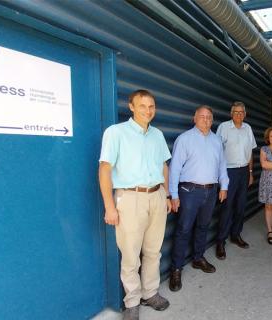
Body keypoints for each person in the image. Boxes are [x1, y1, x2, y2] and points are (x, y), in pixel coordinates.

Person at [99, 89, 172, 320]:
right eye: (142, 106)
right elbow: (104, 169)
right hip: (129, 199)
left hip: (157, 196)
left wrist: (167, 195)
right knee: (130, 255)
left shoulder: (157, 135)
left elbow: (164, 167)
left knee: (153, 251)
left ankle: (150, 293)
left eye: (151, 106)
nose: (148, 111)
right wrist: (110, 207)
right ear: (131, 106)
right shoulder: (116, 132)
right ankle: (132, 301)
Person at [168, 105, 229, 292]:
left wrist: (224, 186)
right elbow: (175, 169)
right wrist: (174, 195)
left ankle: (198, 258)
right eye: (202, 117)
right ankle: (176, 269)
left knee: (203, 226)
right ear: (195, 118)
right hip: (189, 191)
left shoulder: (216, 140)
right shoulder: (184, 139)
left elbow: (222, 166)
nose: (206, 120)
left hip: (210, 191)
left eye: (209, 117)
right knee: (184, 229)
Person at [215, 101, 257, 260]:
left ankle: (235, 234)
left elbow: (250, 152)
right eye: (236, 112)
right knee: (226, 207)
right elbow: (217, 153)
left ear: (245, 114)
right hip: (228, 172)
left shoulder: (248, 128)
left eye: (242, 112)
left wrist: (251, 172)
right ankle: (221, 241)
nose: (239, 114)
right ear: (231, 113)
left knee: (240, 206)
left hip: (244, 171)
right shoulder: (223, 128)